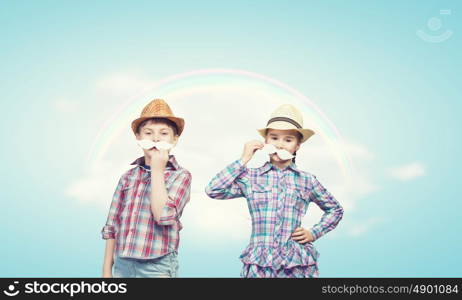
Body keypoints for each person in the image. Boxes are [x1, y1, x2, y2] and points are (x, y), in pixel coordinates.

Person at [205, 104, 343, 278]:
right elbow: (213, 189)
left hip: (295, 264)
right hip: (259, 263)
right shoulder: (251, 177)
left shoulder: (307, 180)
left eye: (288, 140)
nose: (280, 145)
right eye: (274, 138)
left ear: (297, 145)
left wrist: (313, 233)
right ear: (266, 142)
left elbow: (335, 210)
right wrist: (244, 159)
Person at [101, 99, 191, 278]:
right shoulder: (127, 177)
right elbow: (112, 224)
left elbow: (163, 217)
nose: (156, 138)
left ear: (175, 139)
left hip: (158, 265)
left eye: (163, 133)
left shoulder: (181, 176)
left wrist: (157, 170)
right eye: (148, 133)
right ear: (138, 138)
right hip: (122, 264)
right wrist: (106, 271)